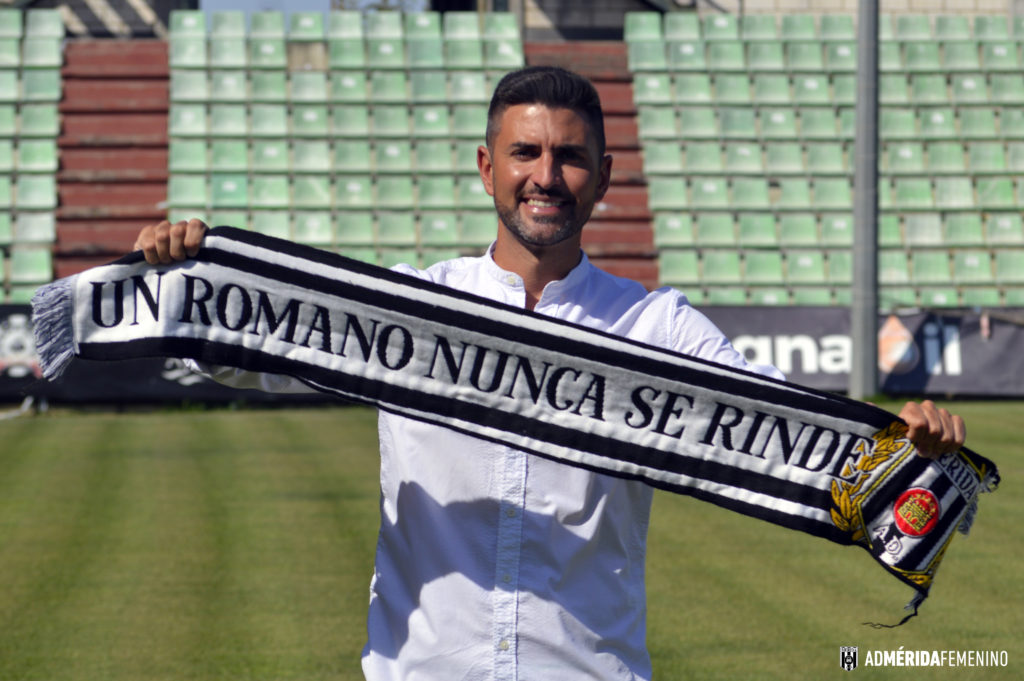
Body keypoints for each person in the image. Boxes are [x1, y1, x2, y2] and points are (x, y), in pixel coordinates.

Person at [134, 66, 965, 680]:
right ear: (486, 167)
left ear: (602, 176)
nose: (546, 175)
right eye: (524, 152)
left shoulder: (656, 325)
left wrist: (906, 449)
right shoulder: (411, 303)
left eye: (570, 157)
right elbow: (259, 362)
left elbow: (780, 429)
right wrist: (190, 289)